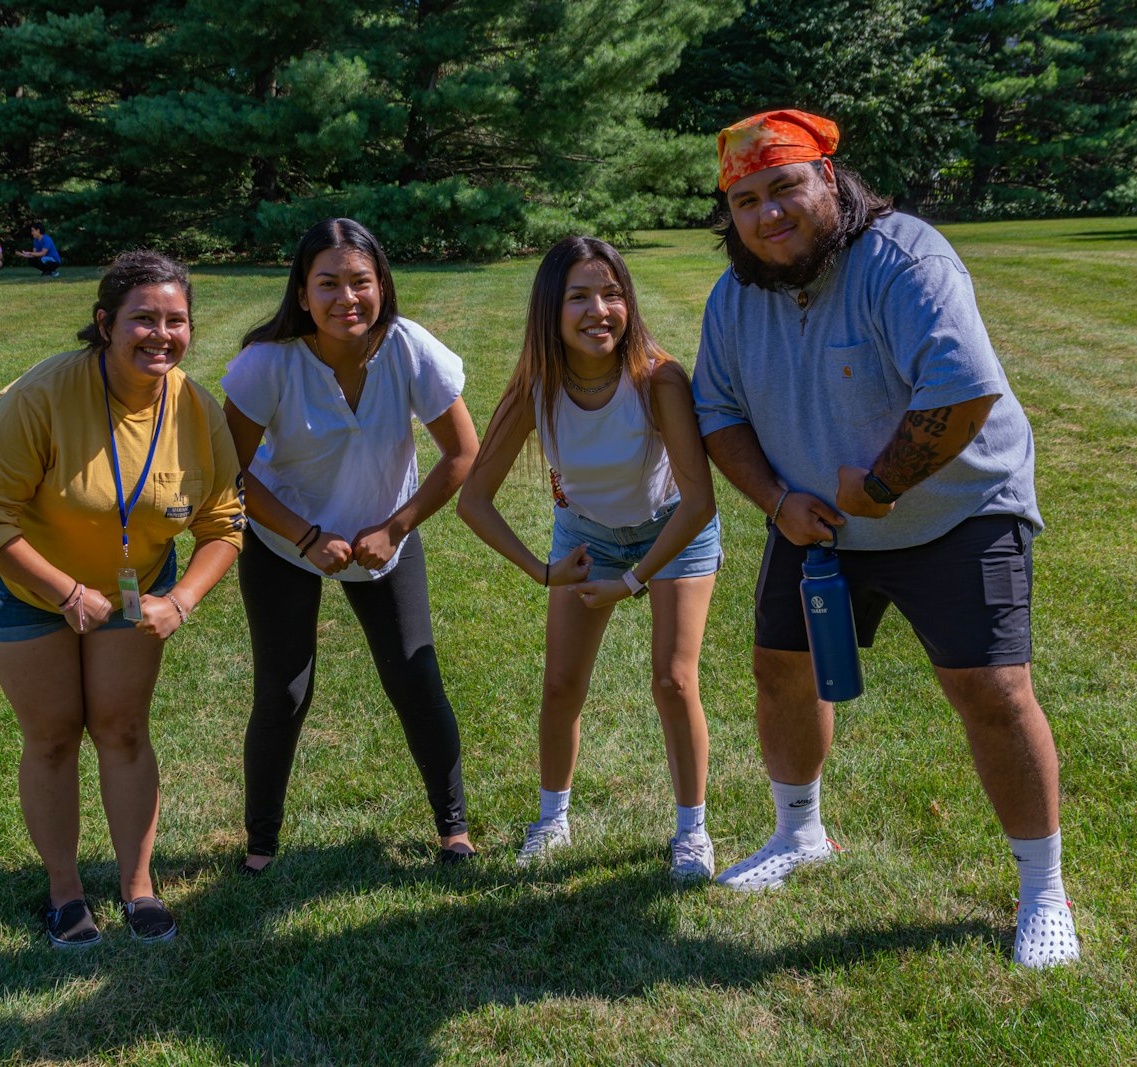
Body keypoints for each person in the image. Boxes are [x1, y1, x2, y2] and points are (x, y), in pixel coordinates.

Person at [691, 109, 1079, 968]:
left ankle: (1042, 890)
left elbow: (959, 393)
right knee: (781, 670)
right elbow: (716, 412)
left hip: (957, 510)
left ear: (828, 178)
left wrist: (877, 486)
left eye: (784, 187)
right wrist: (776, 499)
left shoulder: (904, 258)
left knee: (991, 690)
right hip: (815, 521)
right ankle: (800, 835)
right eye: (745, 200)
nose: (767, 214)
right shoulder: (734, 297)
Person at [0, 250, 243, 947]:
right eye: (143, 318)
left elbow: (225, 520)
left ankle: (138, 886)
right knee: (53, 733)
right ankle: (64, 892)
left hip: (130, 585)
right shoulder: (43, 394)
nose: (161, 335)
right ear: (104, 323)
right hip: (18, 581)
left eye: (176, 321)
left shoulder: (197, 409)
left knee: (121, 728)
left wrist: (181, 599)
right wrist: (63, 592)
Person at [458, 237, 723, 880]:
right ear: (551, 310)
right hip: (586, 539)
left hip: (672, 532)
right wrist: (542, 571)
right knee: (560, 684)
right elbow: (474, 500)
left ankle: (692, 830)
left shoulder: (658, 379)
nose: (598, 310)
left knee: (674, 680)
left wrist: (632, 581)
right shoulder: (533, 391)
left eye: (611, 294)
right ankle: (551, 819)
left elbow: (699, 503)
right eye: (578, 296)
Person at [221, 217, 480, 872]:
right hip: (284, 538)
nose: (347, 298)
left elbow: (462, 453)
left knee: (415, 676)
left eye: (361, 281)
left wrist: (393, 527)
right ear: (302, 292)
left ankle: (454, 830)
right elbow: (232, 470)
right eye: (328, 283)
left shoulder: (409, 347)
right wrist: (306, 536)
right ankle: (261, 843)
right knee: (283, 690)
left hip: (381, 537)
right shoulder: (267, 363)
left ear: (383, 284)